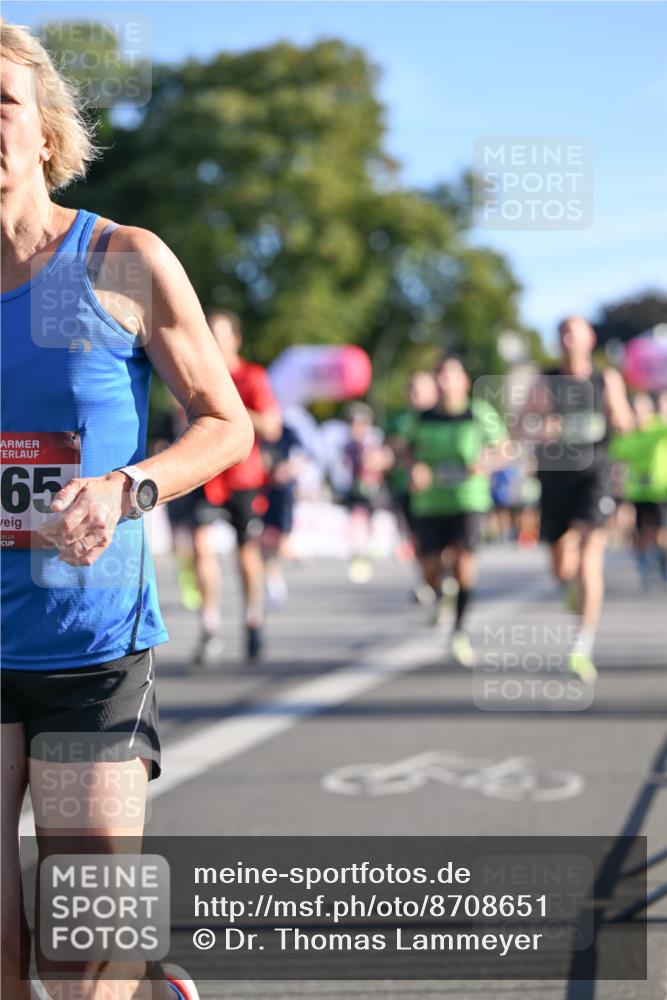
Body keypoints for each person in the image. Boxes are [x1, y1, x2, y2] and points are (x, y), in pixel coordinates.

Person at [1, 20, 253, 1000]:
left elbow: (225, 424)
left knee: (82, 953)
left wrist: (125, 486)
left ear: (47, 137)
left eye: (1, 104)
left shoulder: (120, 259)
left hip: (88, 643)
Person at [520, 316, 634, 680]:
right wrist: (542, 428)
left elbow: (626, 424)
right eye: (563, 332)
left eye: (575, 331)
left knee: (589, 560)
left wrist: (621, 422)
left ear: (590, 338)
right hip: (554, 481)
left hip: (594, 479)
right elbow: (519, 424)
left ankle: (581, 646)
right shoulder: (545, 380)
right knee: (562, 569)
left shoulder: (606, 379)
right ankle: (572, 590)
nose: (569, 338)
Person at [188, 310, 282, 663]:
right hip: (203, 473)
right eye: (209, 333)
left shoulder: (252, 376)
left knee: (246, 551)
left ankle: (253, 619)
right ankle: (210, 626)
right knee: (199, 545)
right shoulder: (194, 376)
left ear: (236, 340)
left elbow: (272, 426)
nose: (214, 340)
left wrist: (231, 411)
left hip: (243, 475)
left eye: (222, 334)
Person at [407, 355, 508, 666]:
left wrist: (486, 462)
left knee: (464, 561)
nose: (444, 380)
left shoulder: (479, 414)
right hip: (431, 501)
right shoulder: (422, 417)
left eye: (451, 374)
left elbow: (504, 449)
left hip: (468, 499)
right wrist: (413, 467)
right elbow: (402, 449)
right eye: (439, 374)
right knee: (428, 570)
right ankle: (440, 591)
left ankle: (459, 632)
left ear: (465, 381)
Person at [609, 392, 667, 589]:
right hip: (638, 492)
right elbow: (616, 451)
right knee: (642, 532)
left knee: (661, 533)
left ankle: (661, 562)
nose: (639, 414)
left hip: (661, 490)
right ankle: (645, 564)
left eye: (643, 410)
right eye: (636, 410)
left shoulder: (660, 428)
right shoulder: (629, 435)